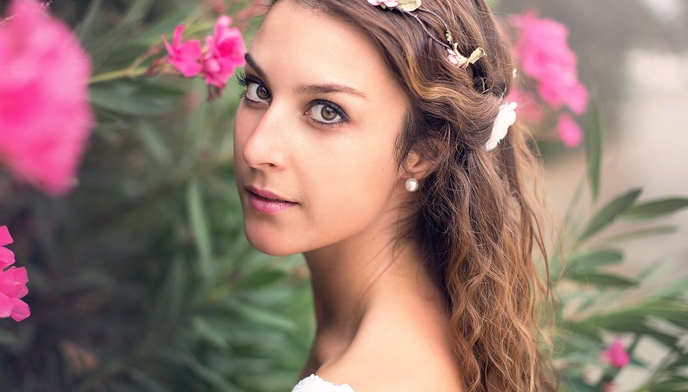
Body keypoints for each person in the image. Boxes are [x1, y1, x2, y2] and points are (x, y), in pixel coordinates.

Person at [233, 0, 555, 391]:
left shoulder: (372, 376)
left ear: (424, 152)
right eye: (257, 88)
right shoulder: (427, 329)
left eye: (327, 112)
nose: (257, 148)